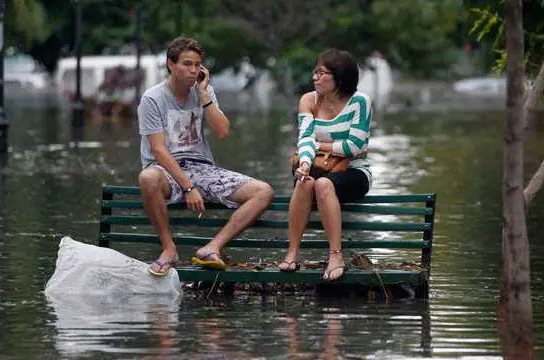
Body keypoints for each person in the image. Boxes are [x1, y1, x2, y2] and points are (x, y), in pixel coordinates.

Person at [138, 36, 274, 276]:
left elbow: (222, 132)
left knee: (263, 191)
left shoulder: (205, 91)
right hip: (165, 170)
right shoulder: (153, 98)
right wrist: (188, 187)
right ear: (171, 64)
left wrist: (203, 94)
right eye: (187, 64)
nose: (193, 70)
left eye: (197, 65)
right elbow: (158, 150)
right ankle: (169, 249)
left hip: (202, 168)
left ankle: (212, 248)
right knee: (147, 178)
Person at [278, 49, 373, 281]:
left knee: (322, 185)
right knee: (304, 182)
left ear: (339, 77)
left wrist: (319, 145)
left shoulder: (360, 102)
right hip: (315, 166)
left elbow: (354, 146)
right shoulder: (308, 100)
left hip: (355, 172)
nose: (315, 78)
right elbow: (305, 139)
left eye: (321, 73)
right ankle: (292, 253)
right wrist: (304, 163)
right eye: (315, 72)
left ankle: (335, 255)